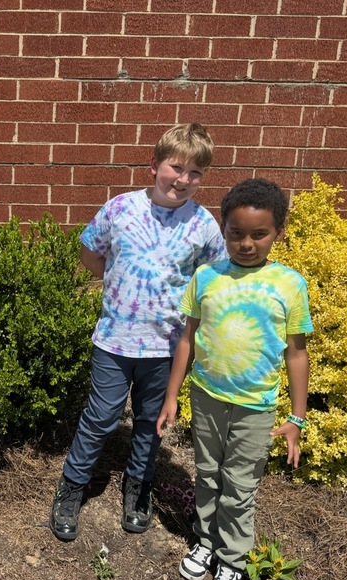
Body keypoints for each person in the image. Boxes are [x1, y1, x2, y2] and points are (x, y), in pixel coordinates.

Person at [49, 123, 228, 541]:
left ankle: (139, 486)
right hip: (115, 340)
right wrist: (116, 285)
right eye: (175, 167)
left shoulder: (203, 225)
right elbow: (91, 252)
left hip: (167, 345)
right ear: (154, 165)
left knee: (152, 422)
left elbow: (214, 279)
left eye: (195, 173)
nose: (183, 179)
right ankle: (72, 486)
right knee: (101, 416)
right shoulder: (120, 208)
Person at [156, 178, 313, 580]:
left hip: (254, 409)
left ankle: (231, 560)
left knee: (240, 487)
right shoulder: (206, 277)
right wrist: (172, 396)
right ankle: (206, 541)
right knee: (207, 475)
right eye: (236, 233)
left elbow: (296, 354)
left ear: (278, 232)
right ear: (222, 229)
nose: (246, 243)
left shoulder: (289, 285)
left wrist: (296, 418)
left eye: (259, 234)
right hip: (206, 399)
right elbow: (187, 339)